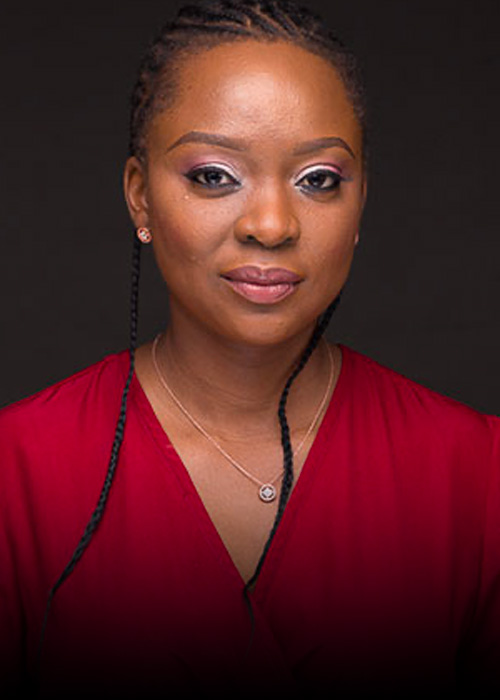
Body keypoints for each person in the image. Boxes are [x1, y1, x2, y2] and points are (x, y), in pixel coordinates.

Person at [0, 0, 499, 695]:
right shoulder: (16, 476)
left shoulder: (477, 477)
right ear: (140, 197)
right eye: (214, 175)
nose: (270, 224)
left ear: (360, 204)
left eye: (318, 180)